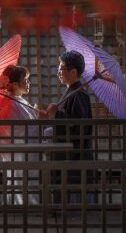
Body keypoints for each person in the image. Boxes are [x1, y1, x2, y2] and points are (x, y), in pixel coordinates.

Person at [46, 50, 93, 204]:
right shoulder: (72, 92)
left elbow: (78, 127)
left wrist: (56, 115)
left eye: (61, 69)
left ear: (73, 72)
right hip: (68, 152)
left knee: (73, 198)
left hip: (74, 155)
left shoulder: (79, 95)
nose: (58, 72)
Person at [0, 65, 41, 205]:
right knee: (20, 183)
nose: (28, 83)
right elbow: (17, 130)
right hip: (18, 151)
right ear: (14, 84)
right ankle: (22, 209)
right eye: (25, 80)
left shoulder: (18, 100)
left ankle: (26, 208)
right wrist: (38, 121)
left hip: (25, 150)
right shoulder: (10, 103)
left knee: (26, 183)